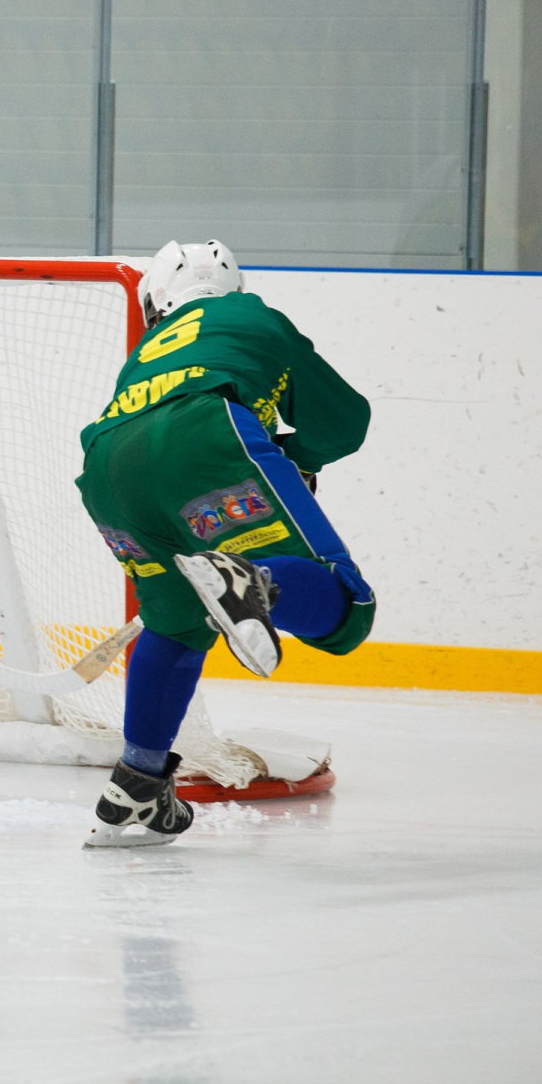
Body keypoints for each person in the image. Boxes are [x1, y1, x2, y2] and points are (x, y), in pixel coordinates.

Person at [77, 239, 374, 848]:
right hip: (204, 433)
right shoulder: (253, 317)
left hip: (106, 471)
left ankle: (137, 790)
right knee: (348, 612)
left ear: (157, 303)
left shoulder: (147, 349)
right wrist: (296, 459)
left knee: (177, 623)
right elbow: (345, 420)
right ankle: (256, 583)